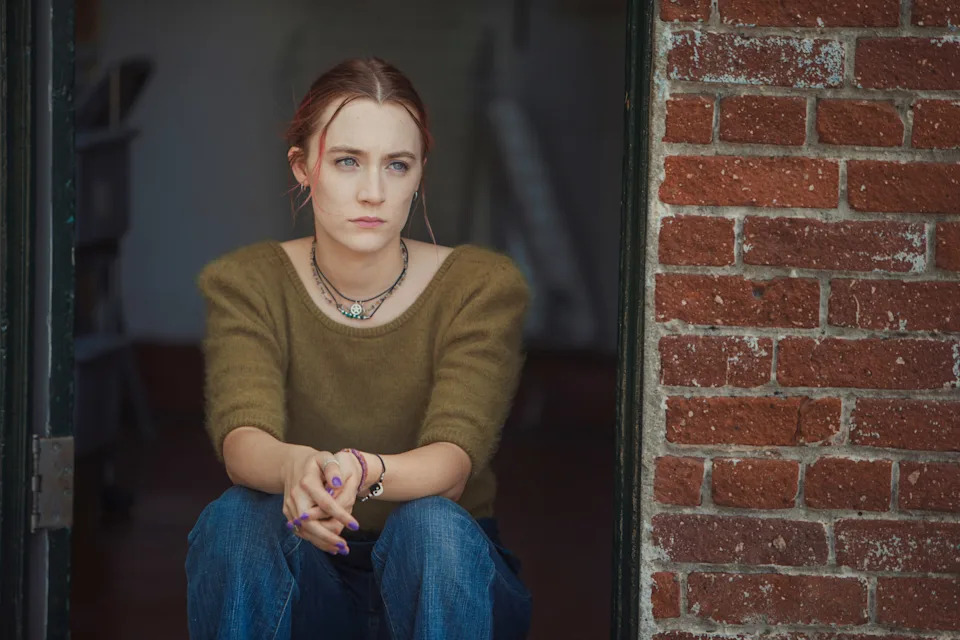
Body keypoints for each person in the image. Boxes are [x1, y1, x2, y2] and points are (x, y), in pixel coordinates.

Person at [185, 57, 533, 640]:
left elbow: (452, 464)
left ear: (419, 174)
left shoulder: (480, 285)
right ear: (303, 167)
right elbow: (242, 439)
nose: (373, 192)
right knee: (239, 517)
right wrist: (296, 464)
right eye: (348, 161)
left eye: (397, 165)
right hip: (305, 577)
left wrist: (362, 470)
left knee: (432, 525)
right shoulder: (247, 281)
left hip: (443, 583)